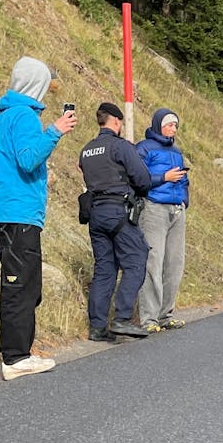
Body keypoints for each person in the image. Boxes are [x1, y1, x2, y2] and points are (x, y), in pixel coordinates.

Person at [0, 56, 77, 380]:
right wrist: (55, 131)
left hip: (5, 211)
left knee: (26, 284)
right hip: (19, 211)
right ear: (35, 85)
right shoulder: (24, 117)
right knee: (20, 285)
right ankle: (15, 357)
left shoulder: (2, 119)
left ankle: (19, 352)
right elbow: (28, 159)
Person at [78, 102, 168, 342]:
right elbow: (143, 179)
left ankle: (97, 327)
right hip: (118, 212)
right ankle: (123, 318)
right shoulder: (121, 147)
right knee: (137, 260)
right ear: (116, 121)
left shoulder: (86, 149)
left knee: (104, 269)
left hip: (95, 214)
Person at [136, 108, 189, 333]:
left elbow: (184, 180)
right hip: (154, 208)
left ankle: (166, 314)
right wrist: (163, 178)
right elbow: (137, 177)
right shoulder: (144, 148)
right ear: (159, 125)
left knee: (174, 264)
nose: (173, 129)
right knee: (153, 262)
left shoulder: (176, 151)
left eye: (175, 125)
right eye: (169, 125)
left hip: (177, 210)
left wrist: (185, 200)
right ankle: (149, 318)